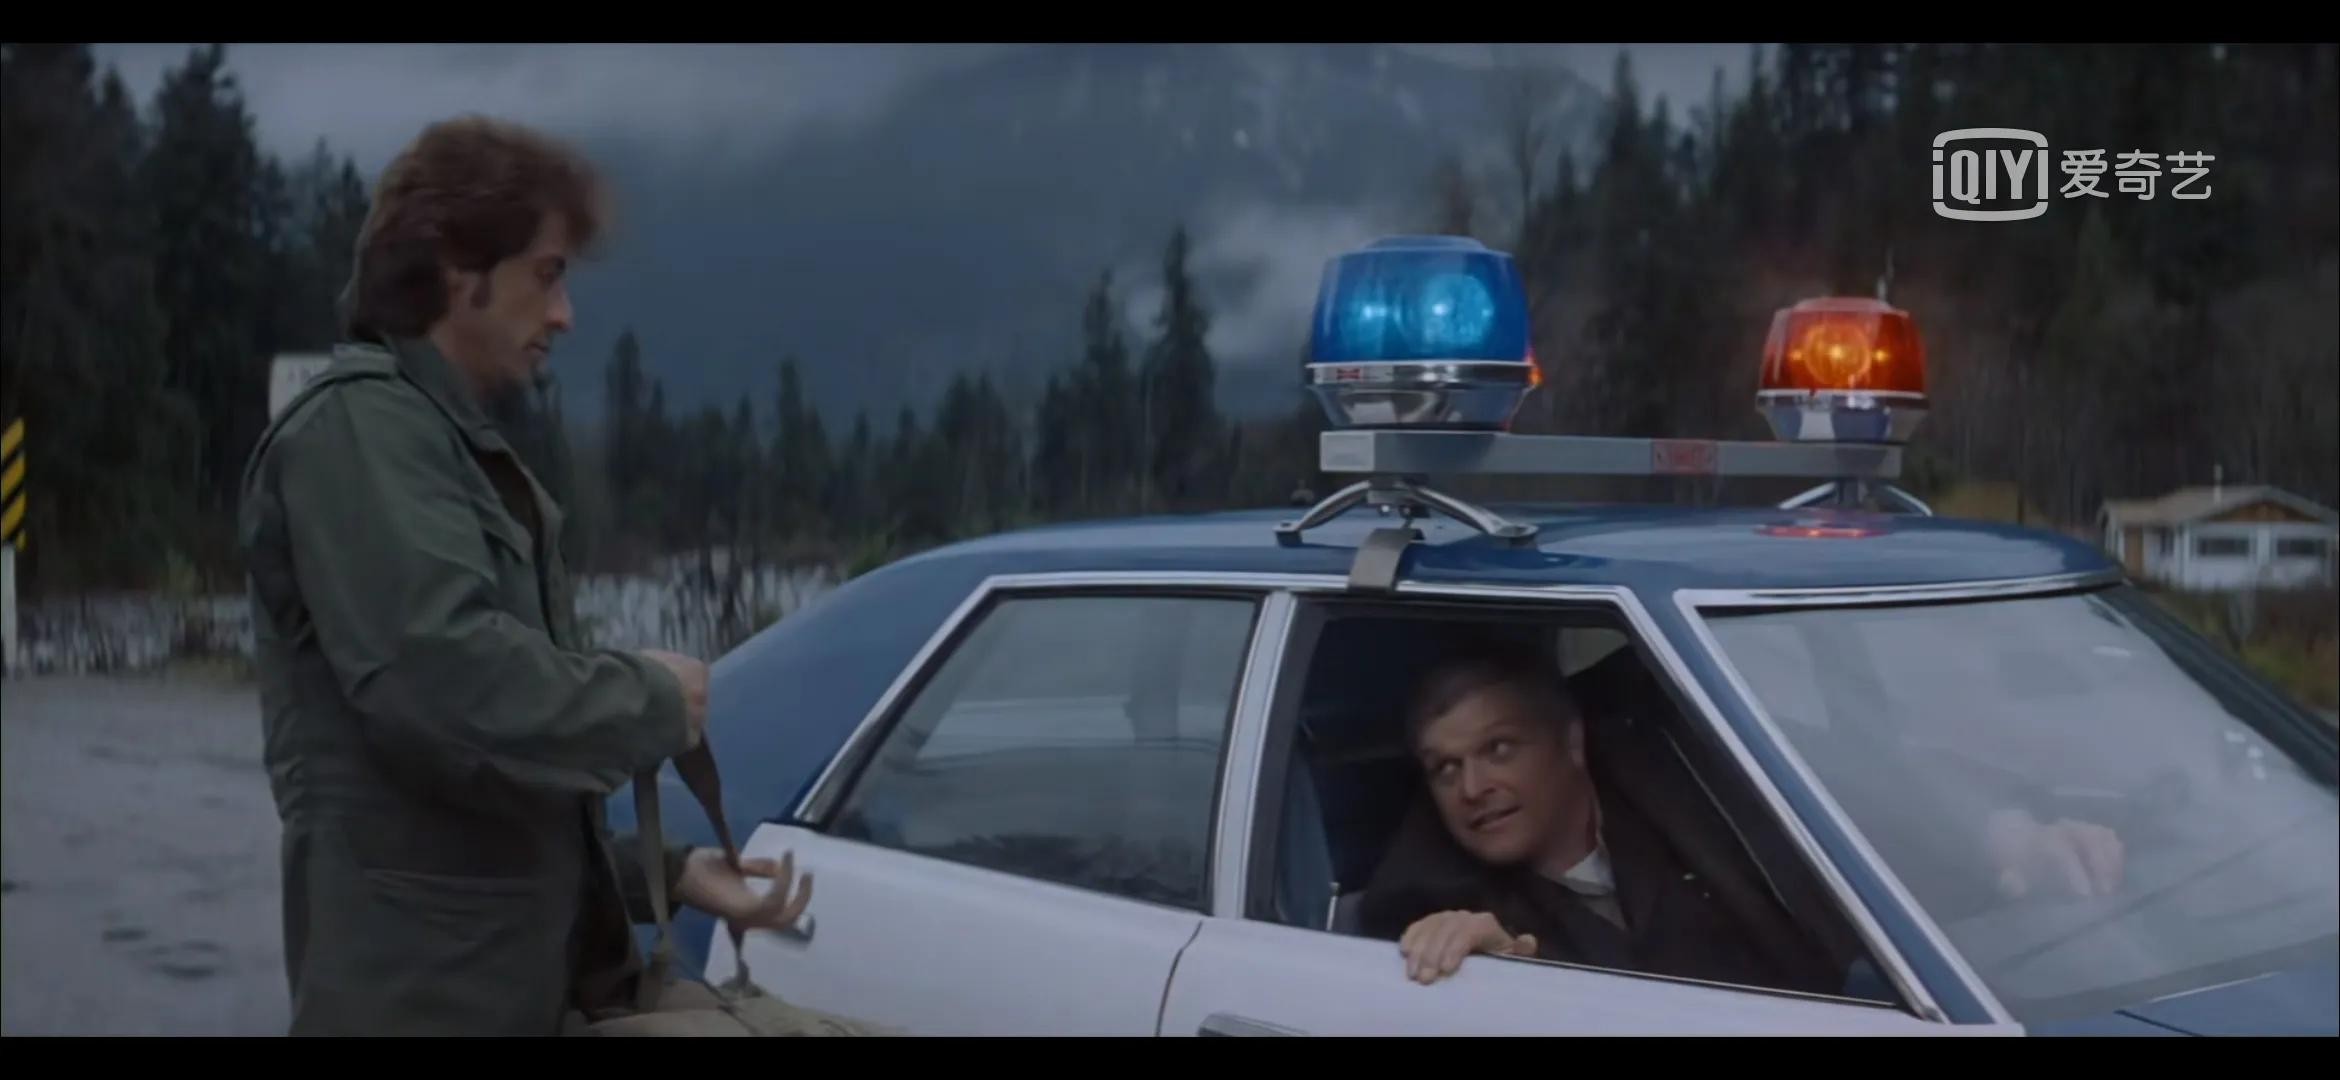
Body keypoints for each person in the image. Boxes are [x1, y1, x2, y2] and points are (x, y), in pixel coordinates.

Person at [238, 115, 810, 1036]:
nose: (564, 314)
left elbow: (484, 812)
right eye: (547, 275)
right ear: (457, 269)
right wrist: (649, 699)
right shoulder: (359, 435)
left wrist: (665, 875)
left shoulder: (438, 447)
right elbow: (447, 690)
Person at [1360, 646, 2125, 990]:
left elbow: (1852, 783)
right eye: (1445, 768)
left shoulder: (1686, 778)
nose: (1473, 787)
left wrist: (2009, 835)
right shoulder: (1434, 900)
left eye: (1499, 749)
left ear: (1572, 741)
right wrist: (1491, 967)